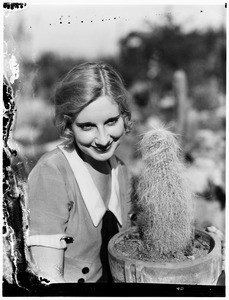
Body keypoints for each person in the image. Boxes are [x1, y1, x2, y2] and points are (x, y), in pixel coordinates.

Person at [26, 62, 132, 283]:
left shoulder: (121, 170)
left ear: (124, 117)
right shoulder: (52, 174)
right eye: (87, 126)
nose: (103, 139)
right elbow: (48, 283)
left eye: (111, 121)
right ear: (68, 125)